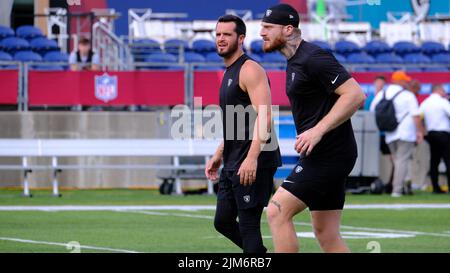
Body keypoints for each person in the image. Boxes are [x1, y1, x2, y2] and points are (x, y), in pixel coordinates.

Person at [259, 4, 365, 253]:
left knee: (276, 210)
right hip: (327, 154)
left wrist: (318, 130)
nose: (261, 32)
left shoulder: (314, 57)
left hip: (329, 155)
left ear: (287, 29)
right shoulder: (295, 61)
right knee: (326, 233)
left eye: (267, 27)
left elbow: (355, 95)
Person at [204, 14, 282, 253]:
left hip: (253, 161)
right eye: (218, 34)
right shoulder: (228, 72)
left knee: (249, 227)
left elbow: (265, 116)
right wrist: (219, 153)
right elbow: (236, 122)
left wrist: (252, 158)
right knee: (223, 222)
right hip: (233, 159)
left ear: (241, 38)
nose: (221, 39)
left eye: (227, 34)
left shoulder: (250, 70)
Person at [370, 71, 424, 197]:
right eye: (404, 80)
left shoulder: (383, 93)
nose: (406, 82)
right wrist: (419, 132)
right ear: (399, 81)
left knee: (397, 161)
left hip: (389, 133)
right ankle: (397, 190)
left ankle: (404, 186)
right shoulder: (407, 95)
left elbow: (373, 109)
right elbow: (415, 115)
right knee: (402, 161)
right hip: (405, 133)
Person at [419, 84, 450, 193]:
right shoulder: (442, 102)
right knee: (448, 161)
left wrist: (422, 131)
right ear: (438, 90)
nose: (445, 93)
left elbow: (419, 117)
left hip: (431, 135)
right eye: (443, 90)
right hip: (444, 134)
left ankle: (435, 187)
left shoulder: (425, 102)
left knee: (434, 162)